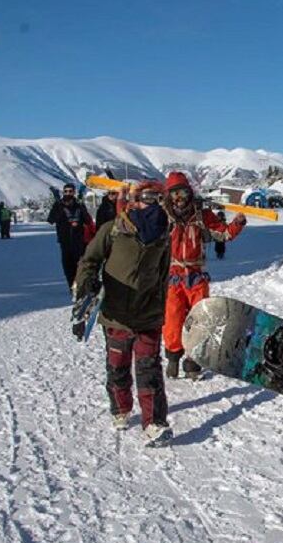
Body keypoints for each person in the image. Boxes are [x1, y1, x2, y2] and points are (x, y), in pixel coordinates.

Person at [74, 181, 173, 443]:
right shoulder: (113, 229)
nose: (152, 205)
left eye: (157, 199)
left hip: (148, 315)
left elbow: (163, 275)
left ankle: (154, 423)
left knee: (149, 370)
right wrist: (87, 284)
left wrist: (162, 309)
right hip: (116, 314)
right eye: (147, 198)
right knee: (117, 367)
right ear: (134, 200)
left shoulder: (163, 235)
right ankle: (121, 408)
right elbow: (89, 260)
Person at [161, 171, 246, 379]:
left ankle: (194, 360)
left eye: (182, 192)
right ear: (168, 197)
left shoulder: (201, 215)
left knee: (201, 318)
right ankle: (173, 358)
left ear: (189, 193)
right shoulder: (162, 216)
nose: (178, 198)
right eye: (174, 194)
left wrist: (237, 224)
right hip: (172, 276)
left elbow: (223, 234)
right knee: (172, 319)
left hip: (196, 275)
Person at [47, 183, 94, 292]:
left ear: (74, 192)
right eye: (66, 191)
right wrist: (57, 207)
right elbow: (51, 220)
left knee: (80, 264)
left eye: (70, 191)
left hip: (79, 240)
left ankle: (80, 284)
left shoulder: (78, 205)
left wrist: (82, 208)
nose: (68, 193)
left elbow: (87, 220)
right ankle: (72, 285)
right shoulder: (58, 205)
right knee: (68, 265)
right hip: (65, 240)